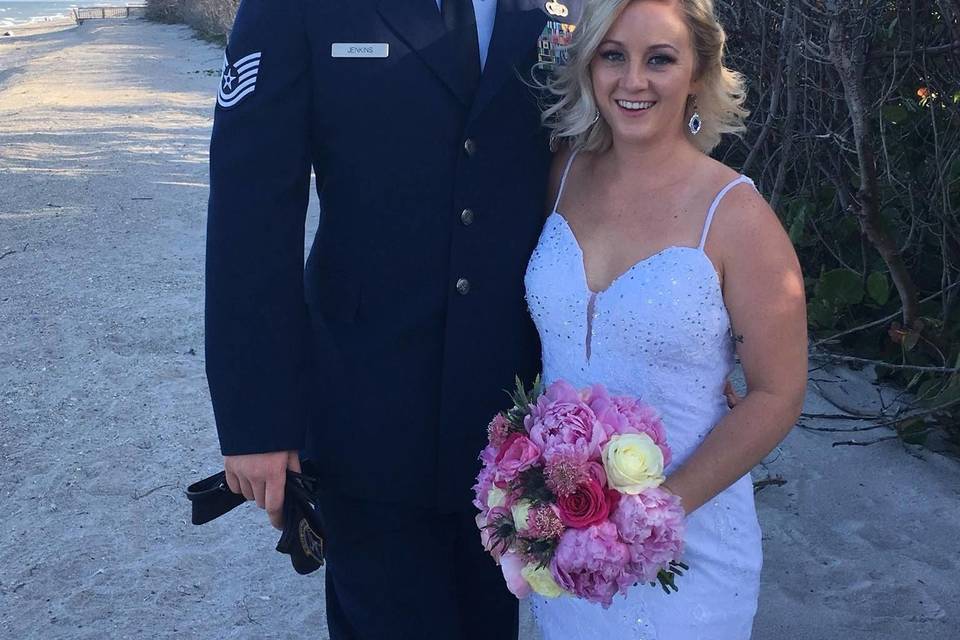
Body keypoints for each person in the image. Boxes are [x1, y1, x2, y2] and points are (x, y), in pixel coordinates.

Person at [203, 1, 581, 639]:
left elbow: (613, 154)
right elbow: (252, 206)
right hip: (367, 412)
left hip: (514, 419)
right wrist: (256, 420)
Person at [524, 0, 808, 637]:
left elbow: (778, 390)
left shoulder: (736, 215)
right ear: (589, 66)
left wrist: (658, 509)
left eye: (660, 59)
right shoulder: (561, 175)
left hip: (688, 542)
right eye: (613, 56)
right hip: (568, 536)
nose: (633, 81)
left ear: (698, 72)